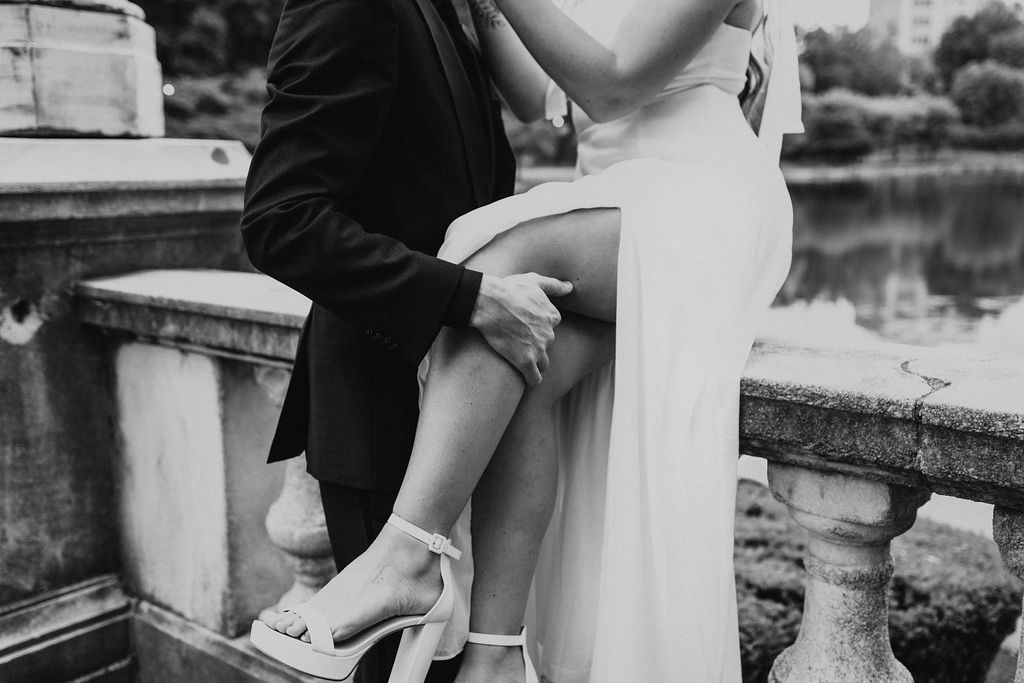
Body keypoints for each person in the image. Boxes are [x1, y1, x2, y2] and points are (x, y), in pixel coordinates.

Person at [250, 0, 803, 680]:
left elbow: (609, 86)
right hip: (623, 204)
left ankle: (407, 558)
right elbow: (542, 96)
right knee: (520, 349)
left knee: (500, 256)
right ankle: (496, 654)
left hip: (703, 199)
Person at [239, 0, 578, 679]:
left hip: (467, 410)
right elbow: (282, 222)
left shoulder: (444, 13)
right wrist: (470, 298)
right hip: (380, 409)